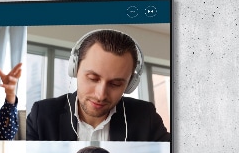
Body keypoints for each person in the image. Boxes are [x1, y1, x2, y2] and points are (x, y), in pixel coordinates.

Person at [26, 29, 171, 142]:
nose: (101, 95)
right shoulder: (42, 114)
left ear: (130, 85)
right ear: (75, 69)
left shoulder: (145, 116)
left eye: (116, 84)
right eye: (93, 78)